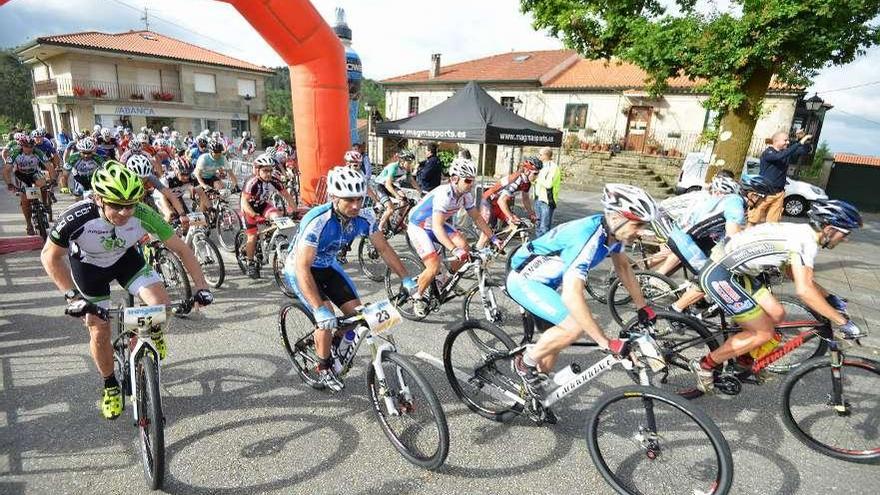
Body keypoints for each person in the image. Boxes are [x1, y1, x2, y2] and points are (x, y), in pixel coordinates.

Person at [41, 162, 213, 419]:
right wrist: (72, 296)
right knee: (99, 328)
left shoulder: (143, 212)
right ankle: (110, 384)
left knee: (161, 306)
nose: (124, 213)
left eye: (130, 205)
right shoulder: (78, 215)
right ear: (99, 199)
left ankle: (146, 333)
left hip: (125, 260)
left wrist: (201, 287)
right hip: (89, 268)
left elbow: (182, 249)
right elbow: (49, 256)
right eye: (116, 206)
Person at [690, 199, 864, 393]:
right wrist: (841, 321)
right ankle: (705, 365)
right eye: (845, 233)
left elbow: (793, 274)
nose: (846, 239)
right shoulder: (805, 242)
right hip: (720, 273)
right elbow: (804, 291)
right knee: (762, 332)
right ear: (830, 229)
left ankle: (743, 359)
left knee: (777, 313)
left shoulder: (803, 233)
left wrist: (829, 297)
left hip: (738, 273)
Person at [507, 184, 659, 393]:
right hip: (524, 281)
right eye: (638, 224)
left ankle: (532, 396)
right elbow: (572, 295)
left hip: (547, 284)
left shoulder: (612, 234)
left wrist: (642, 307)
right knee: (573, 328)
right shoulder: (586, 238)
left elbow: (623, 266)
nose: (641, 232)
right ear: (616, 217)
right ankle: (524, 363)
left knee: (555, 339)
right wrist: (605, 342)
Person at [282, 166, 416, 391]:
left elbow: (383, 249)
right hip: (301, 268)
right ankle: (323, 368)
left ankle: (336, 341)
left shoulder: (365, 215)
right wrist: (319, 309)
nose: (355, 206)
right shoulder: (317, 220)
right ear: (334, 197)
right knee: (324, 315)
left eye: (359, 199)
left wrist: (406, 279)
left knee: (358, 315)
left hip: (327, 266)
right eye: (348, 200)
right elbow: (303, 267)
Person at [406, 158, 501, 317]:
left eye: (473, 180)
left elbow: (477, 218)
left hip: (437, 224)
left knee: (465, 247)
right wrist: (453, 249)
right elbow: (437, 228)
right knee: (434, 266)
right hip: (420, 226)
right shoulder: (445, 194)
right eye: (468, 180)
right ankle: (417, 296)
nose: (471, 184)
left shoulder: (465, 195)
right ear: (455, 179)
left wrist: (493, 238)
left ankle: (445, 278)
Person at [240, 155, 295, 279]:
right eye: (265, 170)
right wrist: (254, 215)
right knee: (252, 236)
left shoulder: (274, 179)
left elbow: (286, 195)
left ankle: (269, 239)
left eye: (270, 170)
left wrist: (295, 210)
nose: (268, 174)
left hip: (263, 205)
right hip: (249, 208)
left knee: (277, 217)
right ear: (257, 170)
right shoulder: (252, 182)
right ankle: (250, 262)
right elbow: (244, 202)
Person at [749, 131, 812, 225]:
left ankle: (767, 238)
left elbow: (806, 150)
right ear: (776, 141)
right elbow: (779, 157)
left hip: (779, 193)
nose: (788, 142)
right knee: (753, 220)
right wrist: (798, 143)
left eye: (788, 140)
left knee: (773, 223)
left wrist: (804, 140)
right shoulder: (768, 153)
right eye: (785, 140)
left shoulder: (785, 153)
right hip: (765, 193)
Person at [476, 156, 541, 247]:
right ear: (527, 171)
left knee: (515, 225)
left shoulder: (527, 182)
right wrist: (510, 216)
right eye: (535, 173)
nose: (537, 177)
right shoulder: (516, 179)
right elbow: (501, 201)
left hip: (499, 204)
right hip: (489, 202)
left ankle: (495, 242)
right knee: (486, 235)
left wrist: (531, 213)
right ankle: (476, 254)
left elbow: (525, 198)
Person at [3, 135, 55, 235]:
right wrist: (9, 184)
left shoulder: (37, 152)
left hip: (34, 173)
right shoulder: (15, 153)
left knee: (43, 185)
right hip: (21, 175)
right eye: (26, 146)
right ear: (21, 146)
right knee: (25, 200)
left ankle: (45, 204)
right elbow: (6, 170)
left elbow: (49, 166)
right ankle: (29, 224)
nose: (29, 149)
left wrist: (53, 179)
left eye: (31, 146)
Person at [373, 149, 420, 232]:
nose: (410, 165)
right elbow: (388, 185)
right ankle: (379, 227)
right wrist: (396, 195)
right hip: (380, 185)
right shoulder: (393, 167)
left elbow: (411, 180)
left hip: (389, 185)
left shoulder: (406, 168)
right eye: (408, 162)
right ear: (402, 161)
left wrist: (420, 191)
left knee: (405, 200)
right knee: (390, 209)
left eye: (411, 162)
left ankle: (399, 220)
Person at [533, 147, 561, 236]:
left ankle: (544, 249)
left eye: (540, 154)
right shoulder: (541, 166)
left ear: (545, 155)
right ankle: (538, 246)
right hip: (538, 199)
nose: (538, 156)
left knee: (544, 227)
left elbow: (548, 184)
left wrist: (537, 178)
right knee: (537, 225)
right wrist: (532, 180)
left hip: (547, 201)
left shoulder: (553, 168)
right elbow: (537, 182)